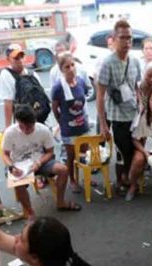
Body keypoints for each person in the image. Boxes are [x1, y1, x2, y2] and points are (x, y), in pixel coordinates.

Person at [2, 104, 80, 221]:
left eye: (30, 127)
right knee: (17, 183)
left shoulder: (42, 130)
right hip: (18, 164)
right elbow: (5, 154)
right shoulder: (10, 132)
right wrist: (11, 166)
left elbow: (50, 152)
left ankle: (60, 202)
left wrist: (39, 163)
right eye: (22, 127)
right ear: (18, 122)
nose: (26, 131)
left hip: (40, 161)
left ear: (35, 121)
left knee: (63, 170)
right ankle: (30, 211)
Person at [96, 20, 141, 193]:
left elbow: (137, 87)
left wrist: (141, 106)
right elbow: (100, 94)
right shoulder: (107, 63)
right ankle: (122, 182)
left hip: (134, 115)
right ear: (114, 39)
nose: (127, 42)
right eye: (123, 38)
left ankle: (130, 180)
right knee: (122, 151)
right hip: (117, 116)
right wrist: (103, 123)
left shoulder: (135, 61)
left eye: (129, 38)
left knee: (132, 148)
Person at [51, 52, 90, 194]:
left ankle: (86, 177)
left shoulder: (80, 81)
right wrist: (61, 123)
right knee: (71, 156)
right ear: (62, 70)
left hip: (82, 124)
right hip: (68, 128)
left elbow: (83, 97)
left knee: (84, 154)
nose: (71, 69)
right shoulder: (58, 87)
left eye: (72, 65)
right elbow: (54, 108)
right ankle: (72, 180)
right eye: (67, 67)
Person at [0, 43, 41, 128]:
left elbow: (8, 102)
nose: (20, 60)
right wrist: (8, 127)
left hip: (35, 121)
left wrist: (7, 127)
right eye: (16, 58)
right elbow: (8, 102)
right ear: (8, 59)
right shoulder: (6, 75)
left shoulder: (33, 74)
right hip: (27, 121)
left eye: (22, 57)